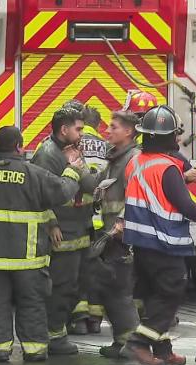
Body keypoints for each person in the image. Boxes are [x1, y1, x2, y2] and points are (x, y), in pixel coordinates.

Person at [0, 126, 88, 362]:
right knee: (31, 302)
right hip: (28, 258)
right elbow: (62, 192)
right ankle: (34, 350)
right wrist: (73, 170)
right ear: (19, 147)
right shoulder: (33, 174)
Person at [121, 105, 196, 365]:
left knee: (155, 295)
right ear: (169, 137)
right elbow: (184, 204)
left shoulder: (136, 162)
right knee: (172, 293)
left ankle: (163, 350)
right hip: (165, 243)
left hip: (141, 243)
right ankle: (140, 341)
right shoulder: (167, 168)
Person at [31, 107, 95, 355]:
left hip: (78, 229)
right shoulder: (47, 155)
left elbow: (87, 183)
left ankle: (59, 330)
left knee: (74, 286)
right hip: (62, 233)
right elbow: (40, 195)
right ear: (64, 129)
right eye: (78, 129)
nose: (81, 133)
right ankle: (54, 337)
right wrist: (51, 223)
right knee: (60, 285)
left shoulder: (71, 151)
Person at [90, 110, 143, 358]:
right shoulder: (115, 159)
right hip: (109, 235)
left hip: (123, 237)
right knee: (109, 290)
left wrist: (123, 223)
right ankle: (121, 341)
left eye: (113, 127)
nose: (107, 131)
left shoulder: (132, 159)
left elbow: (136, 196)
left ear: (129, 132)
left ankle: (132, 344)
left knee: (120, 292)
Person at [69, 104, 110, 336]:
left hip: (78, 217)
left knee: (78, 271)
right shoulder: (108, 148)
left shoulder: (71, 146)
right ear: (99, 125)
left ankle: (79, 319)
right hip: (103, 220)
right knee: (98, 272)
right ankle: (95, 319)